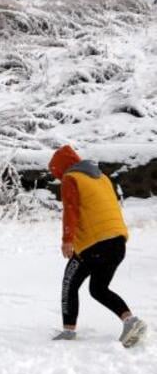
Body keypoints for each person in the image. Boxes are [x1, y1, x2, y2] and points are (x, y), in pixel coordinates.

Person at [48, 145, 147, 347]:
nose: (59, 178)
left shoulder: (71, 178)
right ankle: (131, 322)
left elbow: (71, 209)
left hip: (96, 244)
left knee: (70, 283)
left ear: (61, 168)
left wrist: (67, 239)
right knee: (98, 288)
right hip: (118, 242)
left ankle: (68, 332)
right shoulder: (101, 178)